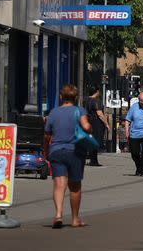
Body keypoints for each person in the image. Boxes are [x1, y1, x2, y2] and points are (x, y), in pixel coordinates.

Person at [43, 84, 91, 229]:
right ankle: (75, 219)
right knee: (75, 186)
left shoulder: (53, 113)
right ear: (76, 98)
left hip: (56, 151)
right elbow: (86, 126)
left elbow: (46, 135)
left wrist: (46, 151)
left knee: (59, 184)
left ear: (61, 97)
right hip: (75, 151)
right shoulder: (79, 110)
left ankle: (58, 214)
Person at [85, 87, 109, 167]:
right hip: (96, 123)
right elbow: (100, 114)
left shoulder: (87, 100)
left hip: (89, 121)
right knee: (96, 140)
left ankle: (93, 160)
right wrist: (106, 124)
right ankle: (94, 161)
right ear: (97, 92)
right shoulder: (96, 101)